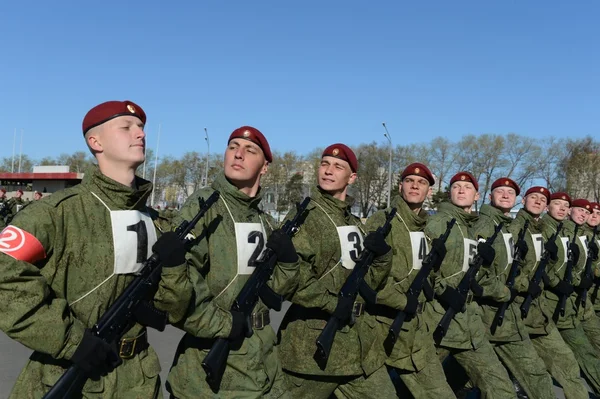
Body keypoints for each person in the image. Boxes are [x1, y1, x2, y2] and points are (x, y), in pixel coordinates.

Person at [0, 100, 187, 398]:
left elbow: (174, 308)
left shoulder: (157, 222)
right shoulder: (55, 214)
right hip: (70, 375)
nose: (139, 134)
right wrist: (71, 340)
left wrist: (176, 268)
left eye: (141, 128)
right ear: (95, 141)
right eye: (126, 127)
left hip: (138, 380)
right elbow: (4, 277)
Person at [165, 126, 300, 398]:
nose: (238, 154)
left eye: (249, 150)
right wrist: (225, 325)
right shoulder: (203, 205)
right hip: (215, 365)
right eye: (232, 147)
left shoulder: (264, 220)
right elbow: (182, 284)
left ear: (265, 168)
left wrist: (288, 262)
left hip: (263, 358)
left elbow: (277, 291)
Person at [277, 144, 396, 398]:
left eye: (338, 166)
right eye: (324, 164)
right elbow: (292, 278)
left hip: (359, 349)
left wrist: (383, 257)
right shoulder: (304, 216)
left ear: (352, 177)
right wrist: (333, 303)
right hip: (312, 350)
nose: (328, 171)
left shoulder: (353, 223)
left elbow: (369, 283)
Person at [363, 163, 455, 398]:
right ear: (401, 186)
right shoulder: (382, 221)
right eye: (409, 180)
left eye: (422, 182)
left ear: (429, 192)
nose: (415, 185)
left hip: (416, 330)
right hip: (379, 326)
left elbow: (428, 281)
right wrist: (402, 302)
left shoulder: (427, 230)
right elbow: (366, 279)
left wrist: (436, 266)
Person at [423, 171, 516, 398]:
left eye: (467, 187)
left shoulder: (475, 228)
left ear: (476, 196)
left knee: (501, 388)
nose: (461, 190)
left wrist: (486, 269)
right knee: (416, 386)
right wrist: (442, 291)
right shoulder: (435, 223)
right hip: (437, 321)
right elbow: (421, 271)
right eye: (456, 186)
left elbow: (477, 274)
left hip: (470, 323)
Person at [471, 178, 554, 398]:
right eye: (501, 191)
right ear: (490, 196)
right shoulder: (487, 225)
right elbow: (476, 275)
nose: (506, 195)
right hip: (489, 312)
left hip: (508, 312)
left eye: (510, 192)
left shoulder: (506, 225)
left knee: (530, 374)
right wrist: (512, 289)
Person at [508, 188, 589, 399]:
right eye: (533, 197)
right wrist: (542, 282)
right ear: (524, 200)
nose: (538, 202)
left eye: (542, 199)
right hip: (515, 307)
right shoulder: (518, 228)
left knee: (565, 362)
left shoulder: (545, 229)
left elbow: (550, 265)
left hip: (539, 307)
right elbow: (506, 270)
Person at [541, 194, 600, 395]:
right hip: (554, 302)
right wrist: (569, 282)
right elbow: (549, 268)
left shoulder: (576, 234)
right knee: (578, 353)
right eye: (579, 210)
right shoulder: (551, 231)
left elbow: (577, 267)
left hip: (575, 301)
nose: (584, 214)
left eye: (587, 211)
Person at [575, 200, 600, 354]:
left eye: (598, 214)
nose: (594, 216)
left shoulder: (595, 235)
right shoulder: (581, 234)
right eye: (591, 213)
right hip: (585, 294)